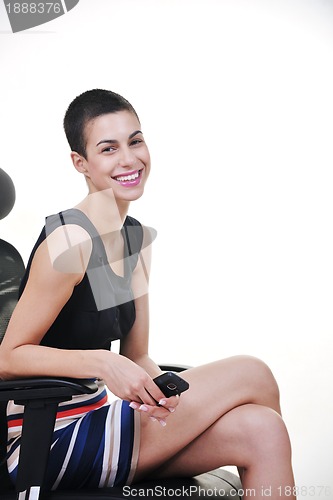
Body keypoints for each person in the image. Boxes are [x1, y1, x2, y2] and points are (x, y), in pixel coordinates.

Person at [0, 89, 296, 499]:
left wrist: (161, 397)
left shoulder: (134, 239)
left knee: (264, 430)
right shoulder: (70, 240)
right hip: (48, 438)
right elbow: (8, 357)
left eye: (135, 141)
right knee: (253, 373)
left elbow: (136, 355)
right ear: (80, 163)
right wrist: (102, 363)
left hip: (103, 418)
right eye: (108, 148)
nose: (128, 159)